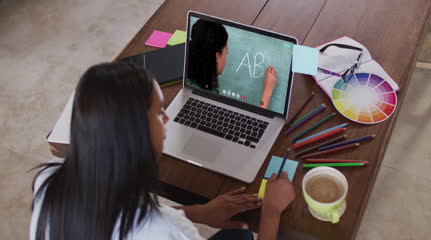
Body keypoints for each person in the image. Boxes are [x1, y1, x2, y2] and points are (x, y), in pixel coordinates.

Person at [30, 62, 295, 240]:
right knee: (244, 233)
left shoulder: (49, 181)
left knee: (238, 233)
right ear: (137, 134)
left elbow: (120, 218)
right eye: (159, 112)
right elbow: (154, 225)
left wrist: (199, 213)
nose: (167, 118)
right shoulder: (165, 232)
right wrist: (271, 213)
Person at [188, 19, 278, 109]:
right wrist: (267, 92)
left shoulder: (189, 79)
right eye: (226, 53)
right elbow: (258, 120)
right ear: (217, 57)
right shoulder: (209, 98)